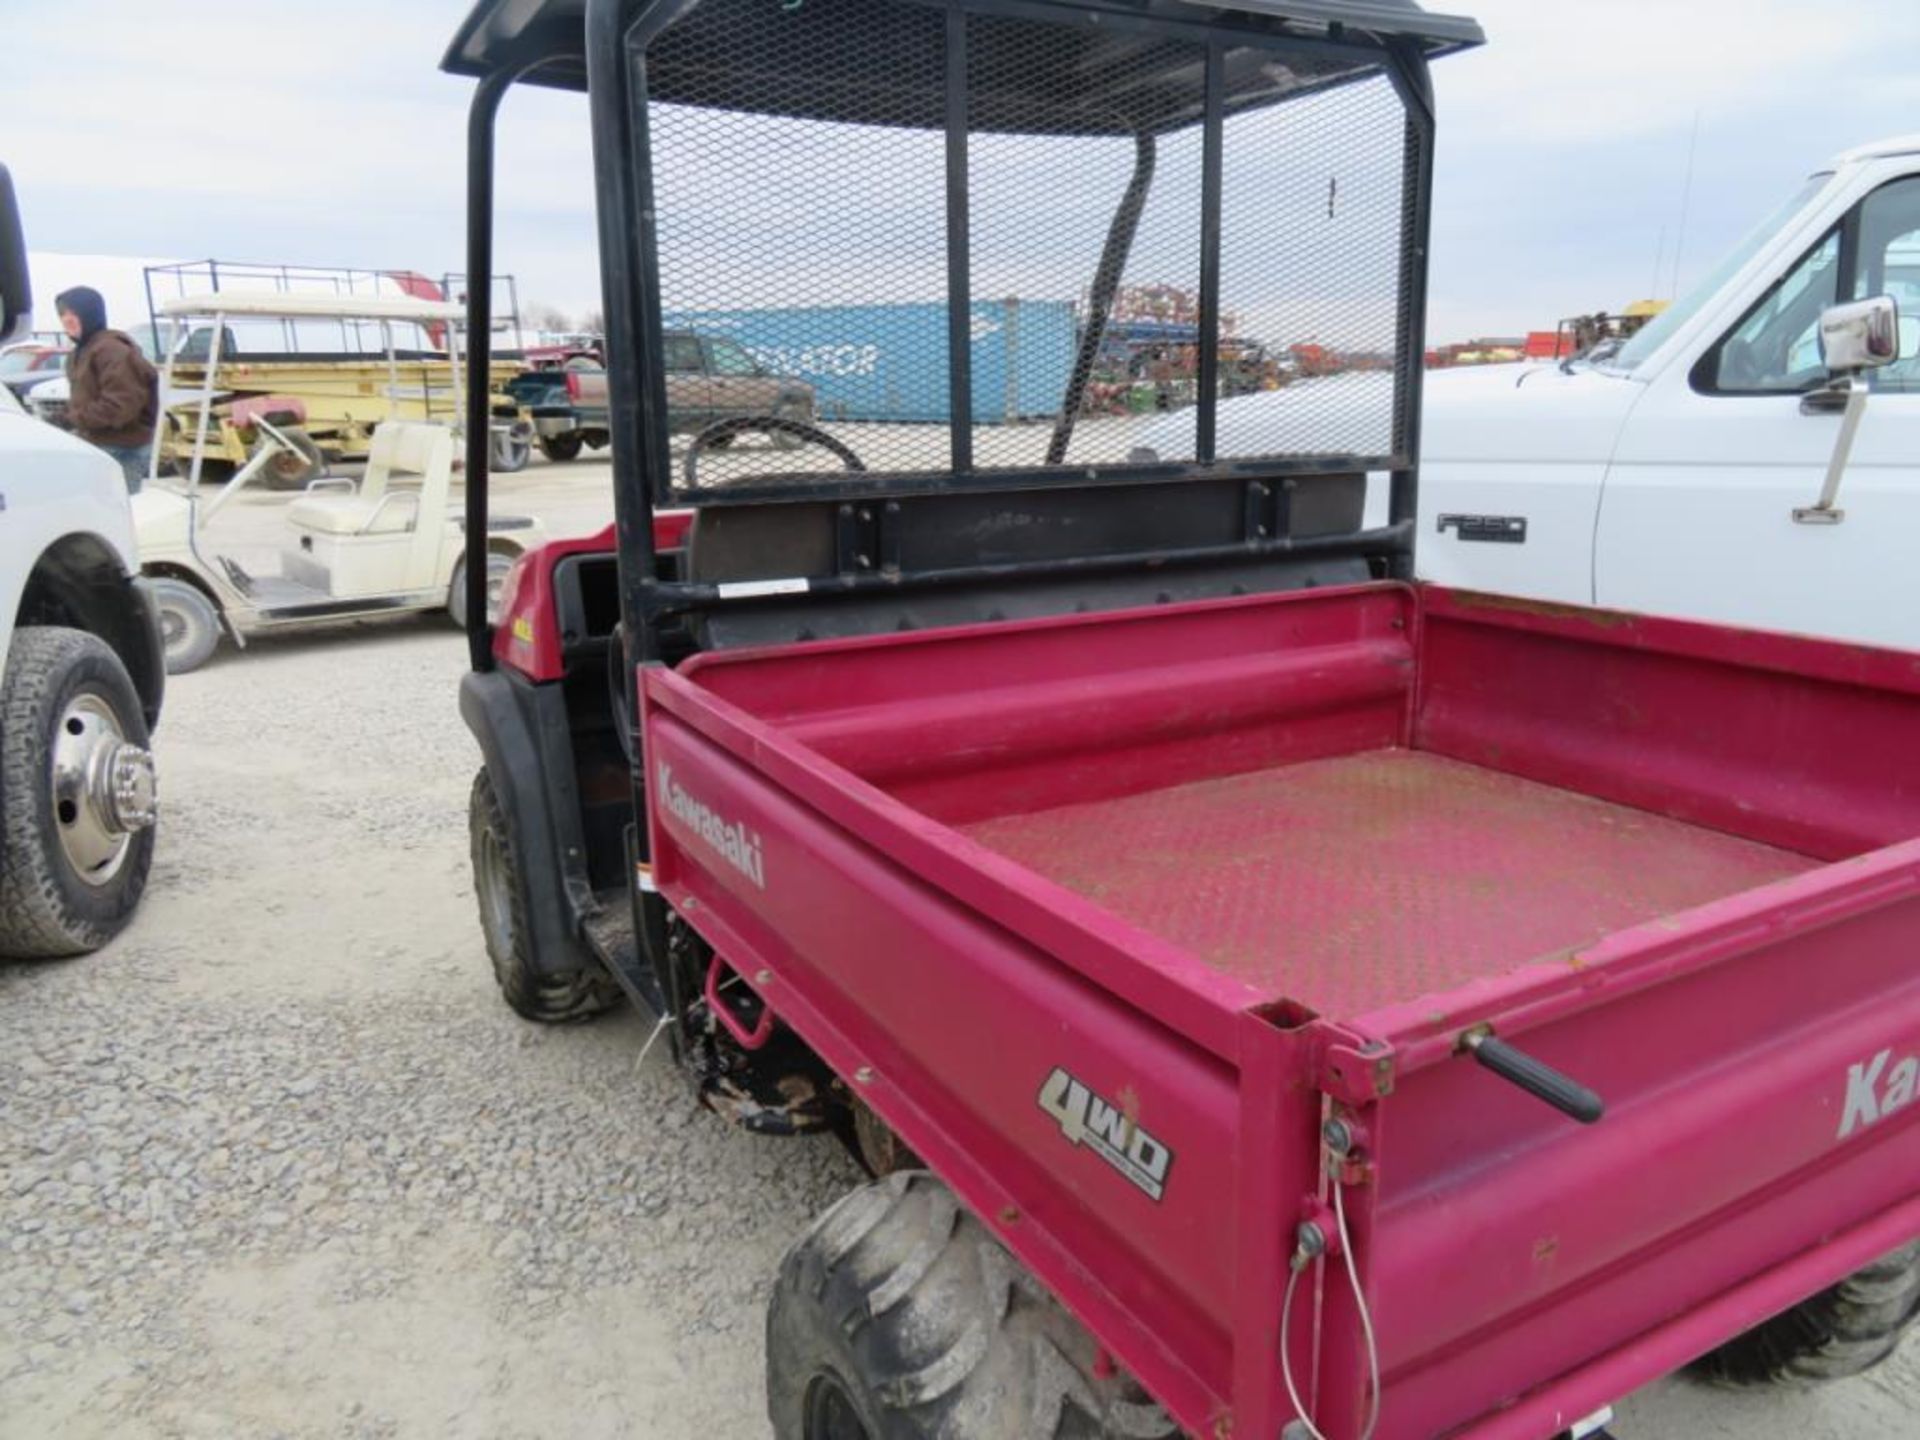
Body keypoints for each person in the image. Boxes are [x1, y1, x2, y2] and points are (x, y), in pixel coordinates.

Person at [55, 286, 159, 491]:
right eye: (62, 314)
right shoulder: (81, 351)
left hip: (122, 448)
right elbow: (86, 399)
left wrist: (72, 419)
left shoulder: (112, 350)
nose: (67, 320)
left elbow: (120, 406)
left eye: (74, 313)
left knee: (118, 512)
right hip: (97, 444)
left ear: (90, 314)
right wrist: (61, 417)